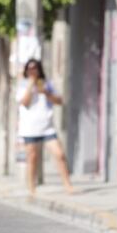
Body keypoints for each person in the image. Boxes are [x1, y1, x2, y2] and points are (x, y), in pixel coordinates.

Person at [17, 59, 73, 195]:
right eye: (29, 69)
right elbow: (24, 103)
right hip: (30, 128)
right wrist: (31, 86)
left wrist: (46, 93)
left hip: (47, 127)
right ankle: (31, 188)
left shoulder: (47, 84)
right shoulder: (23, 85)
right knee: (32, 157)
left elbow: (59, 101)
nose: (32, 71)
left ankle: (67, 185)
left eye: (35, 68)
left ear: (39, 69)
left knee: (59, 154)